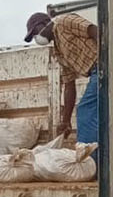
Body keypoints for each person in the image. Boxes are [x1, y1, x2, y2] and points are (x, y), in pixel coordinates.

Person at [25, 10, 100, 143]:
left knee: (85, 109)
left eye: (35, 33)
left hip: (102, 65)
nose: (36, 38)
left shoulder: (63, 21)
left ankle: (89, 154)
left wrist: (108, 60)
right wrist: (66, 121)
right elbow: (69, 85)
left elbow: (95, 31)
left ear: (44, 23)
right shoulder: (59, 51)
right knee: (98, 112)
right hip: (95, 72)